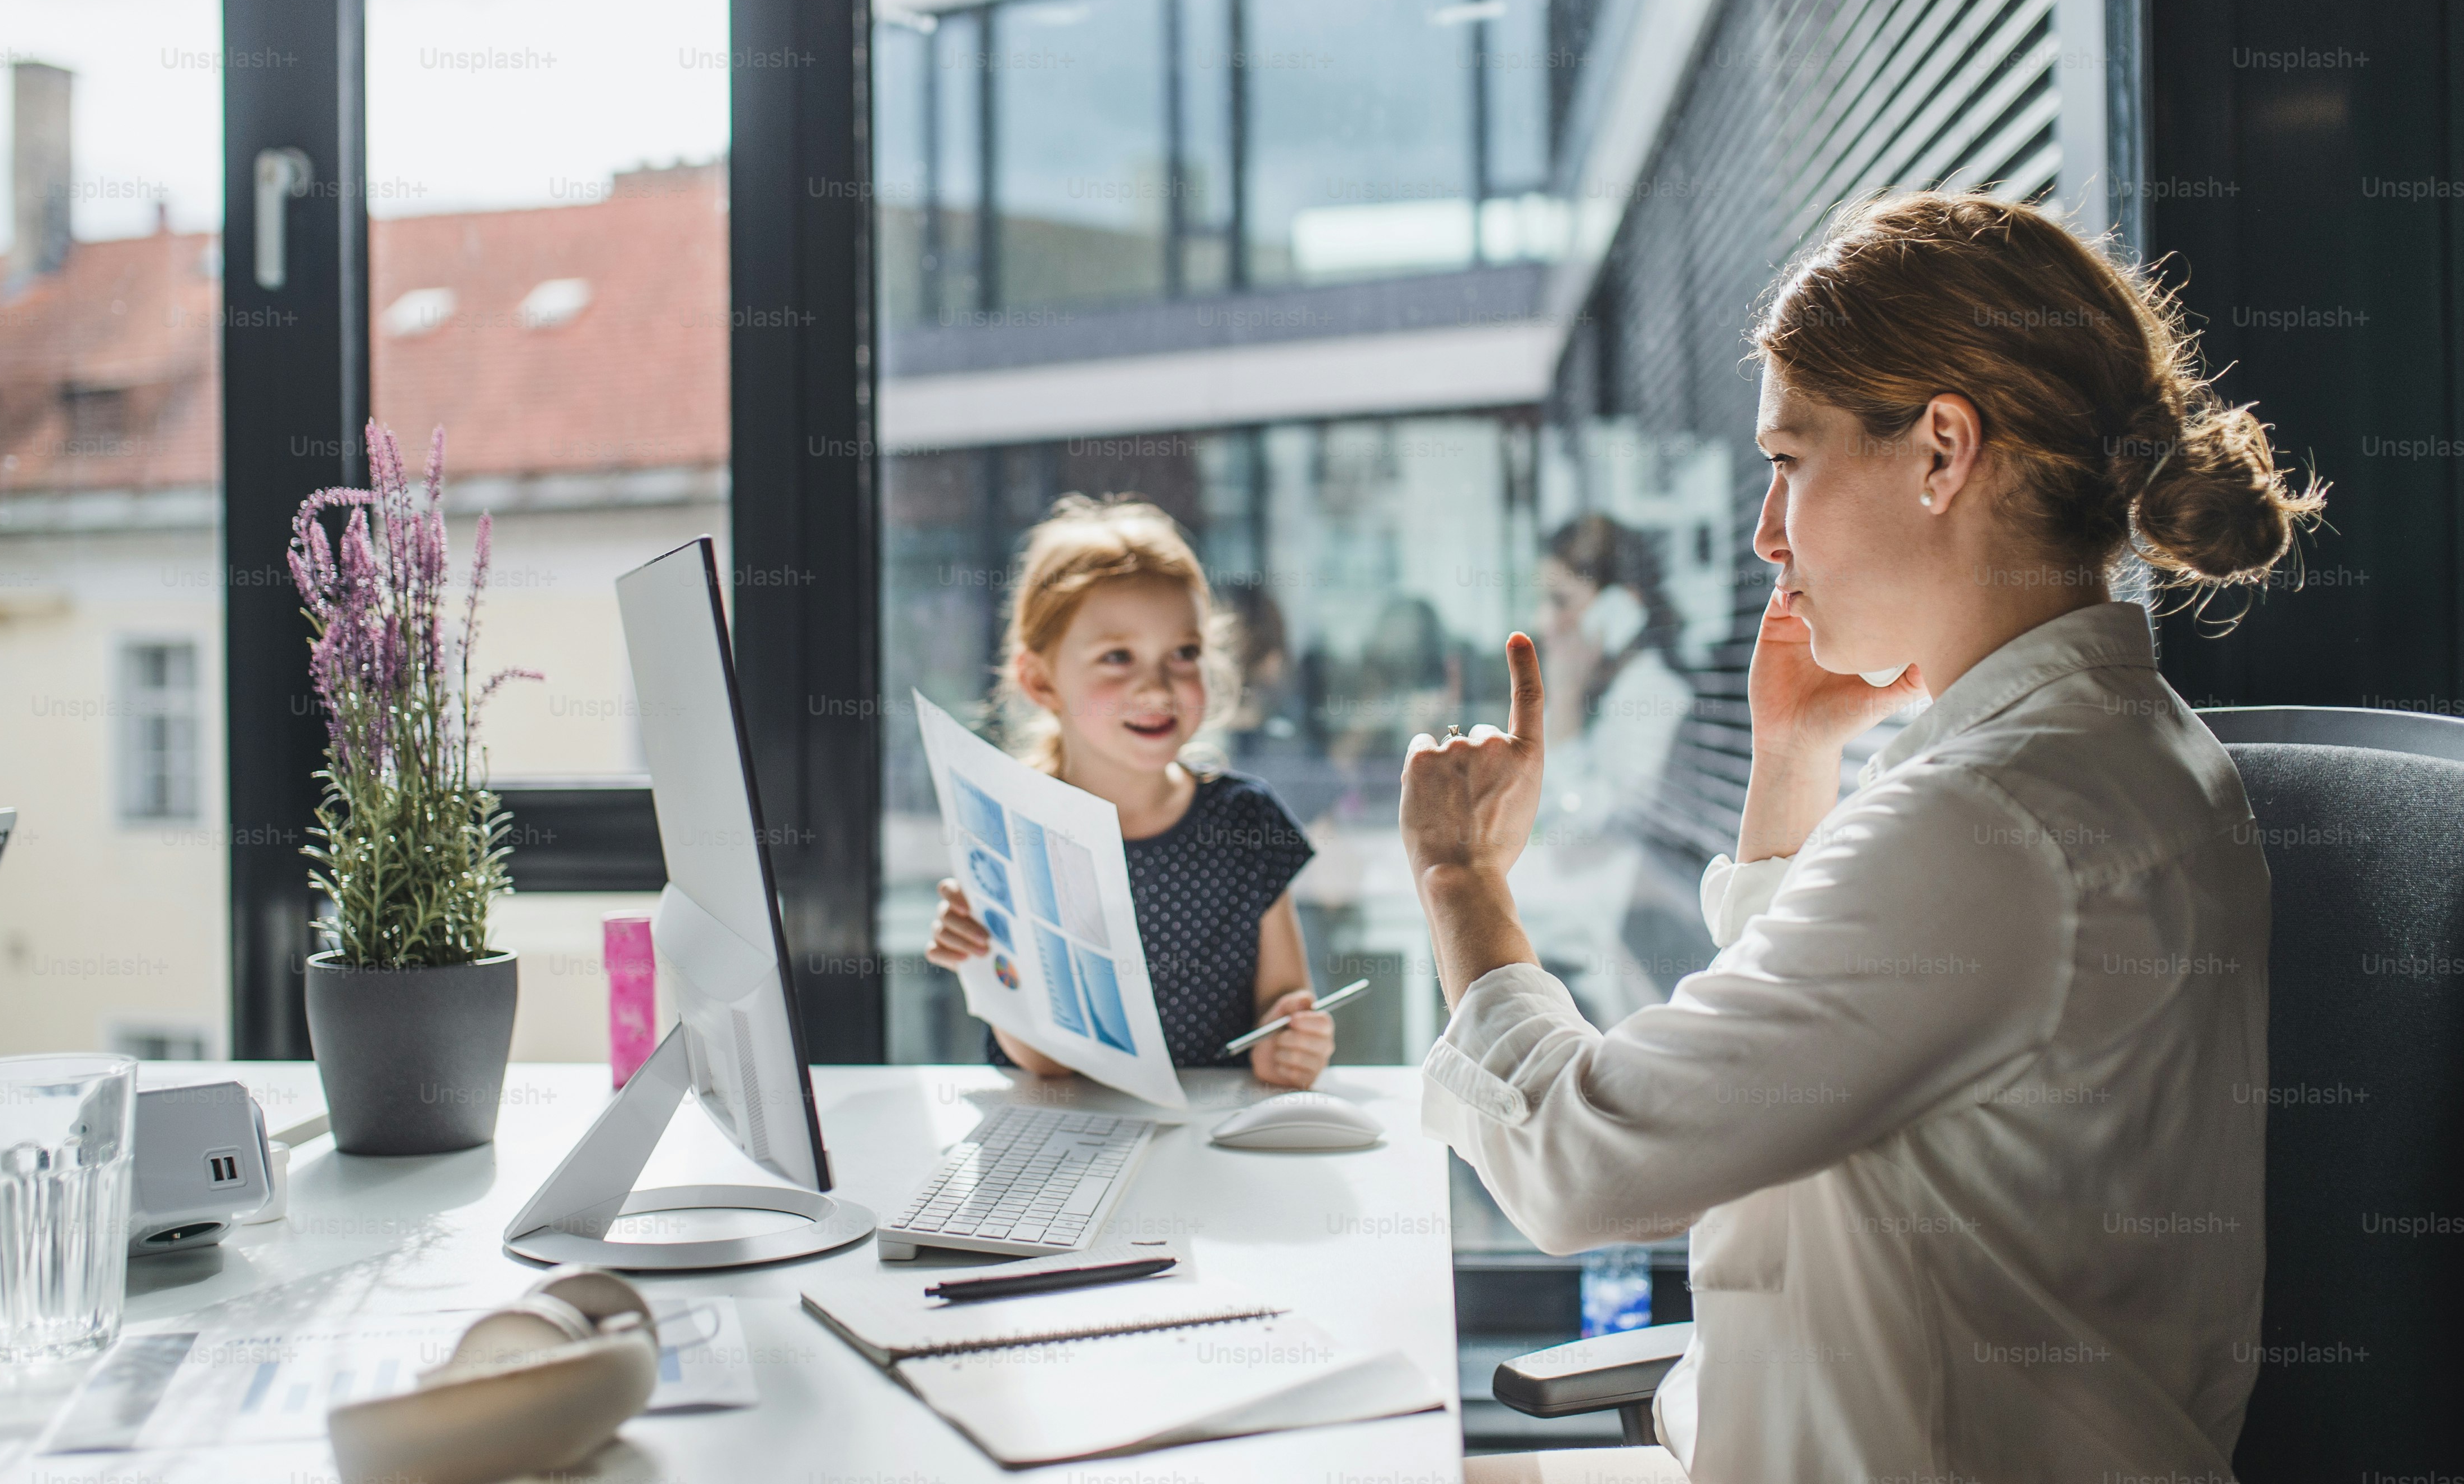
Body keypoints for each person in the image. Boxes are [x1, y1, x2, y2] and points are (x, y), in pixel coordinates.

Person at [1409, 193, 2323, 1483]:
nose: (1763, 534)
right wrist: (1789, 761)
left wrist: (1459, 880)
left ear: (1940, 452)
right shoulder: (2129, 748)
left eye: (1788, 462)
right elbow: (1830, 1044)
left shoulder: (1992, 827)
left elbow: (1578, 1160)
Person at [924, 494, 1334, 1088]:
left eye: (1184, 654)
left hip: (1220, 1143)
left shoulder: (1249, 818)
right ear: (1040, 680)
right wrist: (983, 962)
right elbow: (1046, 1064)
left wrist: (1290, 1041)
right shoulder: (1016, 830)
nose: (1157, 685)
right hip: (1071, 1147)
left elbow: (1286, 999)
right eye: (1118, 657)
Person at [1516, 515, 1700, 1024]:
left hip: (1627, 983)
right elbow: (1545, 811)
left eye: (1561, 602)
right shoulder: (1607, 697)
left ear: (1621, 609)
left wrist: (1568, 702)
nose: (1545, 621)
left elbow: (1578, 834)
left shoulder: (1655, 698)